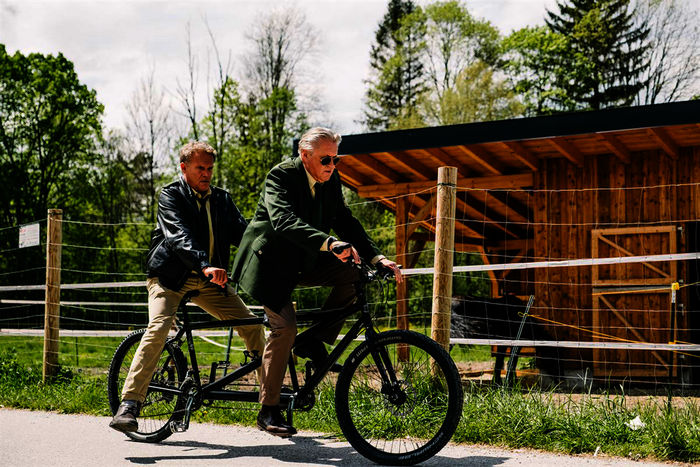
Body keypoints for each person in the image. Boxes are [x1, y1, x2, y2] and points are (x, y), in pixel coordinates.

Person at [231, 127, 402, 437]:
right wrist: (329, 243)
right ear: (304, 154)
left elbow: (345, 220)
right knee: (284, 329)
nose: (332, 166)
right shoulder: (280, 176)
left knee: (356, 272)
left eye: (336, 159)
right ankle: (268, 409)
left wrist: (378, 258)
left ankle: (313, 341)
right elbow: (282, 220)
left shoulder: (329, 180)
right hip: (269, 264)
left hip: (304, 258)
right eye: (326, 159)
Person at [109, 141, 266, 433]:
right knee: (158, 328)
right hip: (169, 278)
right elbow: (178, 236)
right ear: (184, 168)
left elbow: (244, 235)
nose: (206, 174)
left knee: (252, 325)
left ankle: (270, 405)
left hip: (209, 280)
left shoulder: (221, 199)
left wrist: (269, 252)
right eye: (200, 168)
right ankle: (129, 405)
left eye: (209, 168)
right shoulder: (170, 196)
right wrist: (205, 264)